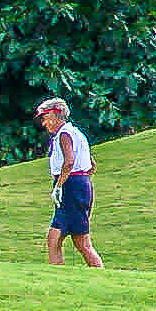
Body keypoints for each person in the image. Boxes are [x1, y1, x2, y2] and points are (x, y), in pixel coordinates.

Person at [36, 97, 103, 268]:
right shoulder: (76, 133)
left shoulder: (64, 134)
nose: (44, 123)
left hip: (70, 186)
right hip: (78, 184)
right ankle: (59, 273)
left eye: (45, 118)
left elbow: (69, 162)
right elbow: (92, 165)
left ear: (55, 115)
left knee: (77, 241)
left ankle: (100, 274)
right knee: (61, 239)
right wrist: (83, 182)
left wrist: (60, 186)